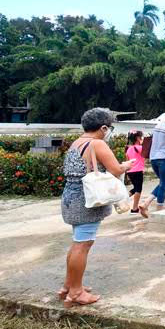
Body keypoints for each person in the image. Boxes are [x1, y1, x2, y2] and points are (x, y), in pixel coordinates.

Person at [59, 108, 135, 307]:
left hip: (70, 196)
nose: (109, 131)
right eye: (109, 127)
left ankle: (69, 285)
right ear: (103, 127)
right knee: (82, 245)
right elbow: (116, 169)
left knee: (78, 242)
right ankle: (75, 292)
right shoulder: (97, 143)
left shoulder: (77, 142)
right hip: (87, 200)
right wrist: (126, 165)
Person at [125, 130, 145, 215]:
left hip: (130, 171)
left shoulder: (128, 148)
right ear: (137, 138)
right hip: (138, 171)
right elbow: (147, 153)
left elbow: (127, 160)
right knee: (138, 189)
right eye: (141, 137)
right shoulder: (140, 148)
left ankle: (123, 198)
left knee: (135, 188)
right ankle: (134, 208)